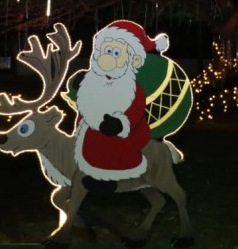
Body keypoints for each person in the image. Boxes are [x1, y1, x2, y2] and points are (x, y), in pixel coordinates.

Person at [72, 20, 168, 192]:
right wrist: (79, 84)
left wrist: (120, 124)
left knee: (113, 146)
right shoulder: (93, 79)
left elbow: (136, 109)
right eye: (106, 50)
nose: (108, 57)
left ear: (133, 59)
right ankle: (89, 170)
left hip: (120, 130)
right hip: (89, 128)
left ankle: (111, 178)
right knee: (91, 144)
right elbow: (85, 99)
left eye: (116, 53)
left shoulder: (130, 88)